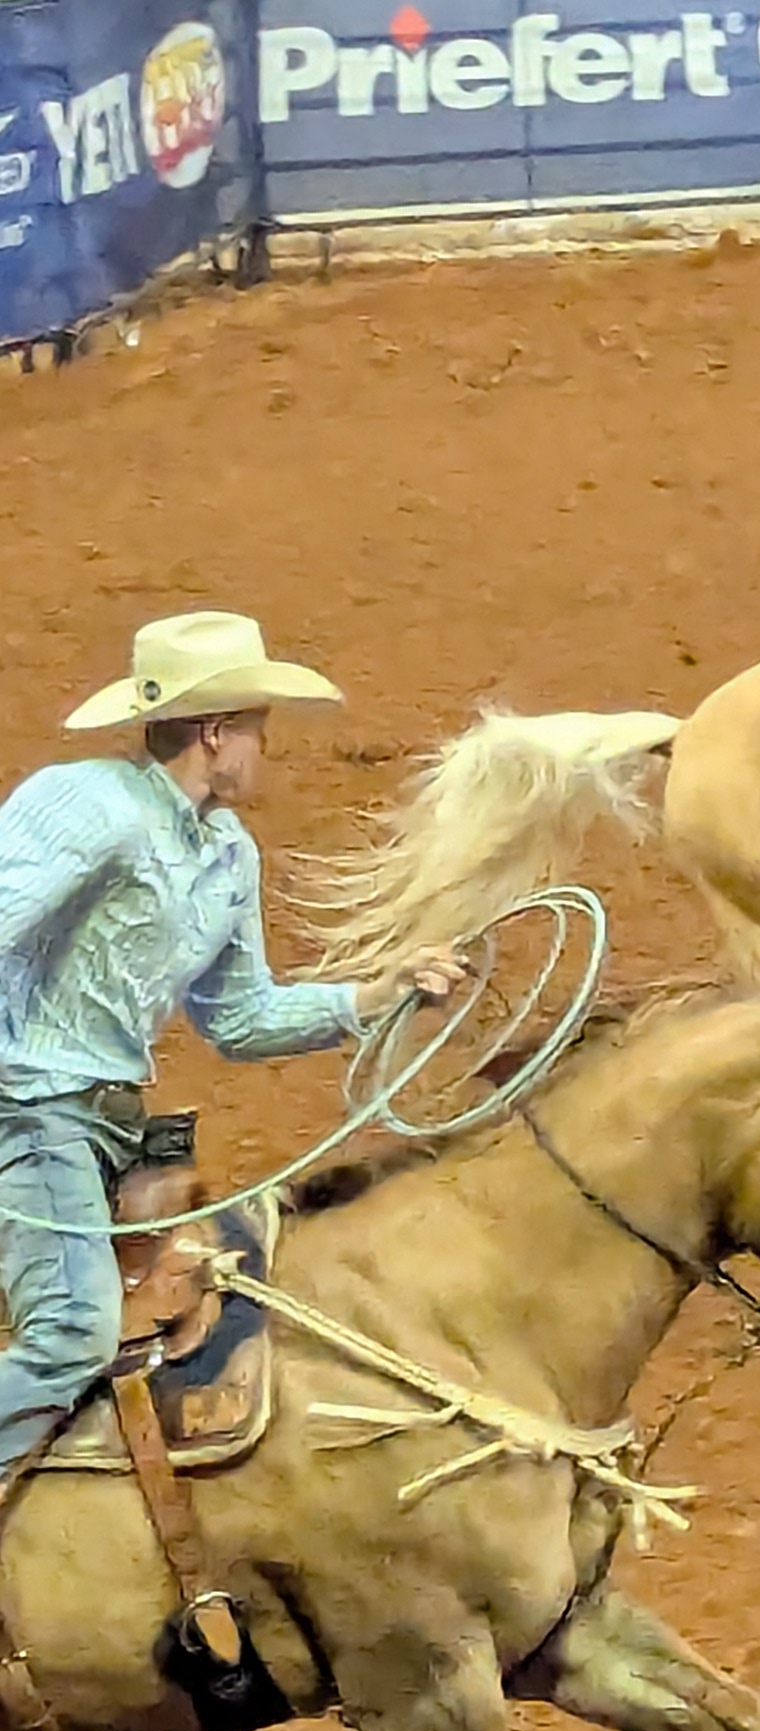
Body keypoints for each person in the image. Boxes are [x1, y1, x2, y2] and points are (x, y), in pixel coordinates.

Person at [0, 611, 467, 1477]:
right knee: (72, 1329)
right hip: (28, 1111)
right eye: (257, 726)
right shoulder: (90, 803)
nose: (265, 748)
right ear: (215, 733)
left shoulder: (227, 855)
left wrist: (376, 994)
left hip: (112, 1128)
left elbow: (241, 1017)